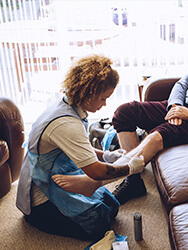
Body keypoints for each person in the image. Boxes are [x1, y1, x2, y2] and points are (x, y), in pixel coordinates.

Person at [52, 8, 188, 205]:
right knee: (124, 113)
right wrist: (175, 105)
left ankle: (97, 182)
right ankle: (133, 181)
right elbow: (182, 83)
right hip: (183, 107)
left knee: (156, 136)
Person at [16, 54, 144, 240]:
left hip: (59, 173)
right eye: (102, 98)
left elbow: (79, 147)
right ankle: (36, 217)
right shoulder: (66, 124)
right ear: (89, 92)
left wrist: (107, 155)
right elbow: (95, 172)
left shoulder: (69, 106)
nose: (104, 104)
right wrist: (129, 168)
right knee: (98, 225)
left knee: (112, 207)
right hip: (40, 195)